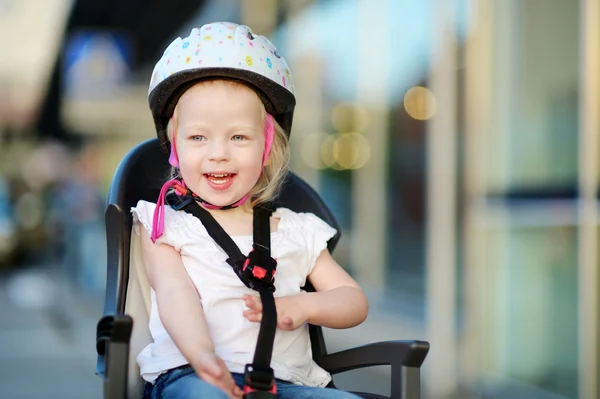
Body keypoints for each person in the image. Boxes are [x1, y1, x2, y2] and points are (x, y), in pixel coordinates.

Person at [132, 21, 369, 399]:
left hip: (286, 384)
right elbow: (175, 294)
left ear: (266, 146)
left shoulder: (297, 230)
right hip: (193, 376)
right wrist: (202, 355)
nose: (219, 152)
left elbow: (353, 302)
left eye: (239, 136)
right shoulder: (167, 226)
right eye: (198, 137)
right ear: (176, 148)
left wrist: (303, 305)